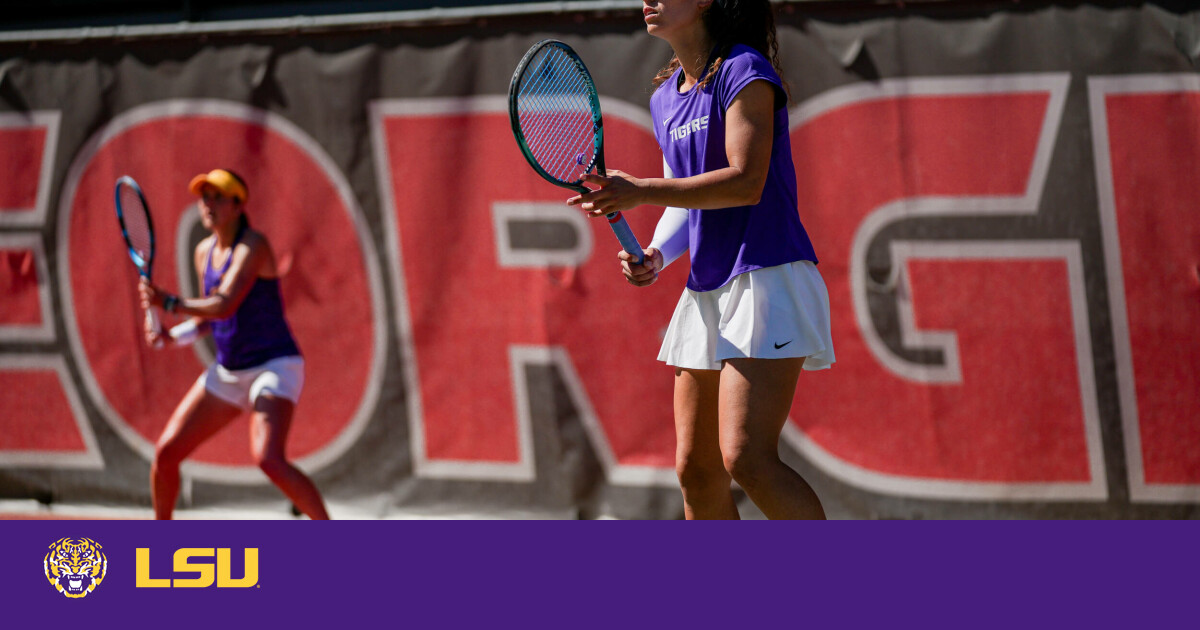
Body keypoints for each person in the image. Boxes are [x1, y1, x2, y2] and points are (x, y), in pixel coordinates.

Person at [567, 0, 834, 519]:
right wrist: (658, 254)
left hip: (767, 273)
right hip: (707, 287)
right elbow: (682, 198)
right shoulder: (666, 97)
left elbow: (746, 181)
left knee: (746, 456)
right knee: (695, 469)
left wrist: (639, 190)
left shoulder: (744, 71)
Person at [138, 168, 330, 520]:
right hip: (229, 371)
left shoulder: (253, 246)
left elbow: (225, 303)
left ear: (238, 206)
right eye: (204, 196)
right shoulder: (202, 253)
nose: (208, 203)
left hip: (275, 366)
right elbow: (208, 318)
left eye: (218, 196)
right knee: (166, 453)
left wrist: (168, 303)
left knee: (268, 458)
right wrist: (171, 336)